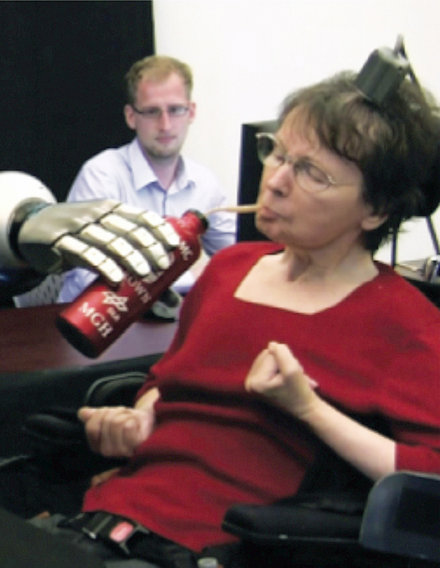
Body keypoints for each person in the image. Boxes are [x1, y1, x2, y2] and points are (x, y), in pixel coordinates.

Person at [25, 67, 440, 567]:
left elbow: (429, 479)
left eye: (312, 172)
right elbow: (166, 381)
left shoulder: (404, 323)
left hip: (205, 551)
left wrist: (309, 409)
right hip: (102, 525)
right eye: (279, 153)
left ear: (376, 210)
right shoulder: (227, 270)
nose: (277, 181)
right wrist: (140, 417)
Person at [56, 55, 236, 308]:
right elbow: (92, 277)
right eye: (152, 112)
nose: (165, 125)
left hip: (170, 326)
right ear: (131, 117)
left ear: (191, 112)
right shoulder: (101, 175)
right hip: (96, 327)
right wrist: (188, 277)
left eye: (175, 110)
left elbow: (238, 260)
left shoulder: (205, 183)